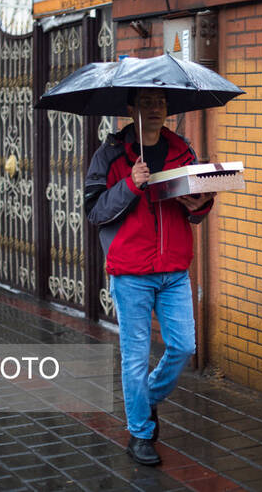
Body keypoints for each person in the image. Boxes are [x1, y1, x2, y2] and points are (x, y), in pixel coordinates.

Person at [83, 88, 214, 466]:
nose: (155, 108)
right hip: (131, 272)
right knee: (136, 358)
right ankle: (140, 434)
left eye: (160, 102)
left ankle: (147, 397)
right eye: (146, 102)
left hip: (174, 269)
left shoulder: (182, 150)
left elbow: (194, 213)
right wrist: (130, 184)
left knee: (184, 346)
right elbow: (94, 211)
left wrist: (201, 203)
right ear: (132, 109)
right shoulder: (110, 155)